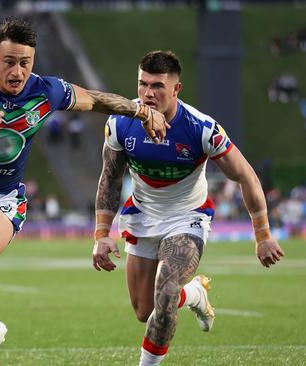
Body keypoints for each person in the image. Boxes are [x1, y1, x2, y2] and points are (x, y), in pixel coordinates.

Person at [0, 17, 169, 366]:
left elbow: (94, 99)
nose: (16, 72)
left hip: (2, 200)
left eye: (24, 63)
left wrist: (140, 110)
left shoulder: (45, 90)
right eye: (9, 62)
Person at [91, 50, 285, 366]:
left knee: (165, 293)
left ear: (176, 89)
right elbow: (110, 179)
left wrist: (263, 234)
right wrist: (101, 233)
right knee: (145, 311)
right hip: (142, 215)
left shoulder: (201, 129)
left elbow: (245, 175)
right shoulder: (120, 124)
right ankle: (193, 294)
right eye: (142, 85)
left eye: (157, 86)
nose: (147, 94)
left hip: (187, 218)